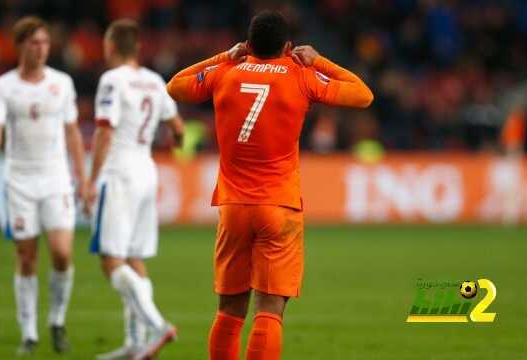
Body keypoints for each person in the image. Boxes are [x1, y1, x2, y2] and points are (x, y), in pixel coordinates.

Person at [167, 11, 373, 360]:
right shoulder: (300, 75)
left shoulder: (224, 72)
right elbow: (363, 95)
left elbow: (175, 85)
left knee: (229, 310)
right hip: (279, 208)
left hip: (233, 208)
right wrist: (319, 60)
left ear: (247, 45)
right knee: (269, 310)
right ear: (288, 47)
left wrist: (223, 56)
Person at [0, 16, 87, 355]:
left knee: (62, 252)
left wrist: (82, 178)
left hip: (56, 178)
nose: (41, 49)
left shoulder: (62, 83)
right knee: (26, 256)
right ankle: (28, 332)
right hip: (19, 180)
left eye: (45, 43)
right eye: (34, 43)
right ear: (20, 46)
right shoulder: (2, 87)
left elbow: (72, 132)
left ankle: (56, 320)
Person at [84, 19, 184, 360]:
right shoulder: (155, 81)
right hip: (147, 170)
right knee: (134, 259)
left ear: (110, 46)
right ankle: (135, 344)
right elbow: (178, 128)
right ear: (138, 48)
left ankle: (157, 326)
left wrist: (90, 179)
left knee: (111, 260)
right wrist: (179, 139)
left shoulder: (112, 80)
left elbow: (104, 132)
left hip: (119, 171)